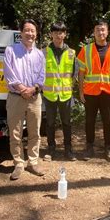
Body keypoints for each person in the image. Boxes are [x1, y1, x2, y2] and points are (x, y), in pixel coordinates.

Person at [77, 19, 110, 163]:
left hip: (108, 93)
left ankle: (108, 148)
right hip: (90, 92)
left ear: (107, 31)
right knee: (89, 121)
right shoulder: (86, 50)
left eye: (103, 29)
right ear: (94, 32)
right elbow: (81, 73)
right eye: (98, 30)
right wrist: (80, 92)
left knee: (108, 122)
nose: (100, 32)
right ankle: (89, 147)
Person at [3, 19, 46, 180]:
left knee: (35, 132)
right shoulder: (11, 51)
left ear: (36, 34)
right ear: (20, 32)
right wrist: (22, 89)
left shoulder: (39, 54)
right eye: (26, 30)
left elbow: (42, 76)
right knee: (15, 133)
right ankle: (18, 163)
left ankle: (33, 162)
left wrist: (33, 89)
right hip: (16, 97)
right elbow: (9, 73)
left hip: (35, 98)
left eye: (33, 31)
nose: (30, 33)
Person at [42, 22, 77, 161]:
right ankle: (51, 149)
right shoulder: (43, 52)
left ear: (65, 34)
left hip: (65, 95)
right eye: (55, 32)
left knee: (67, 123)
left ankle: (68, 150)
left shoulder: (71, 53)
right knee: (50, 124)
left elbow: (74, 74)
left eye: (61, 32)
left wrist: (69, 87)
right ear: (51, 34)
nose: (58, 35)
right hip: (49, 95)